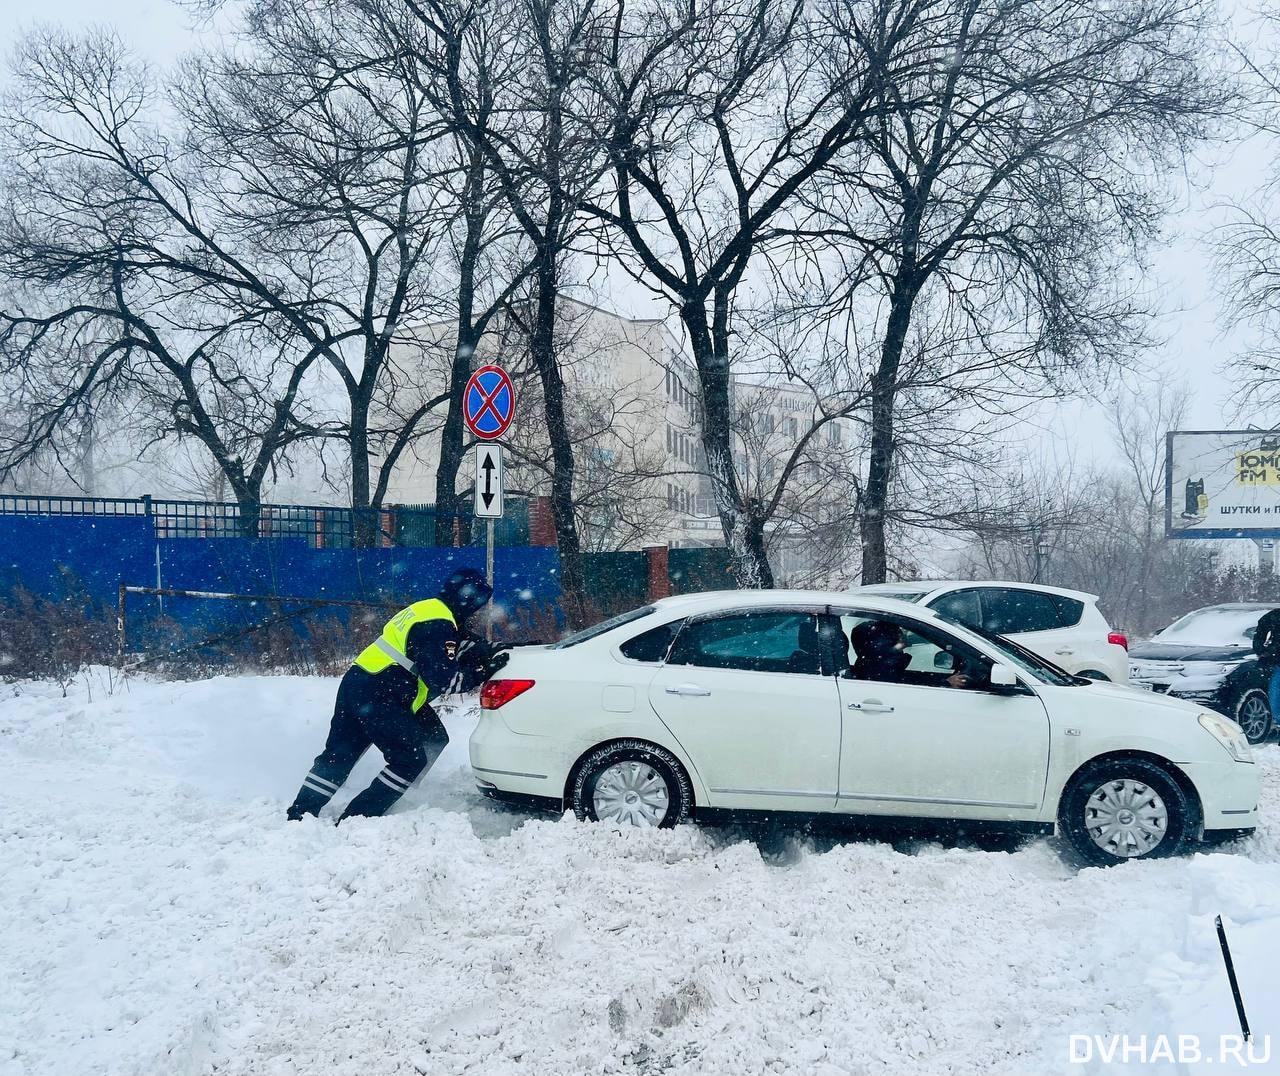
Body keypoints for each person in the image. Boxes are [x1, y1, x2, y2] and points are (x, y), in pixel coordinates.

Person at [286, 568, 505, 822]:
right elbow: (445, 681)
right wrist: (481, 672)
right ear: (466, 599)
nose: (477, 610)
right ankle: (358, 818)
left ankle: (300, 813)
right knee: (409, 760)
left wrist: (492, 650)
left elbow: (461, 642)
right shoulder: (439, 623)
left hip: (361, 682)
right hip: (384, 692)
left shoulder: (430, 610)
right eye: (478, 602)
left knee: (344, 752)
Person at [848, 619, 976, 689]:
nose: (903, 636)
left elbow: (908, 677)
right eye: (899, 633)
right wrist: (945, 682)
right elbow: (911, 681)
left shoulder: (869, 666)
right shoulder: (882, 671)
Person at [1252, 606, 1280, 724]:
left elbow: (1260, 631)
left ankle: (1275, 718)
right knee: (1276, 687)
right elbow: (1260, 632)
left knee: (1276, 687)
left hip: (1277, 657)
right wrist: (1261, 650)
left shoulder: (1275, 616)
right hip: (1278, 658)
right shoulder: (1275, 616)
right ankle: (1276, 718)